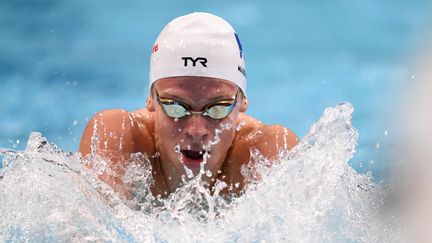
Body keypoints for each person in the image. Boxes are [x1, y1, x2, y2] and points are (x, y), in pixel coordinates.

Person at [79, 12, 298, 199]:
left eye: (217, 108)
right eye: (176, 107)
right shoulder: (119, 138)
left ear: (242, 101)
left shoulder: (266, 153)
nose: (196, 131)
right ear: (151, 99)